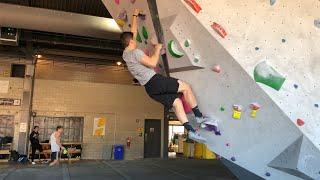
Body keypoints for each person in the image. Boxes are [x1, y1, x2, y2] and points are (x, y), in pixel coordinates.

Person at [121, 9, 214, 142]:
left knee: (176, 103)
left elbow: (133, 33)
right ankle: (199, 117)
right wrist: (157, 48)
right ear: (130, 42)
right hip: (155, 81)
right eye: (133, 40)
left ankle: (191, 131)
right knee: (186, 87)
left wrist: (134, 15)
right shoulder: (135, 53)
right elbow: (153, 63)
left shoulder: (125, 54)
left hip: (149, 89)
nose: (135, 41)